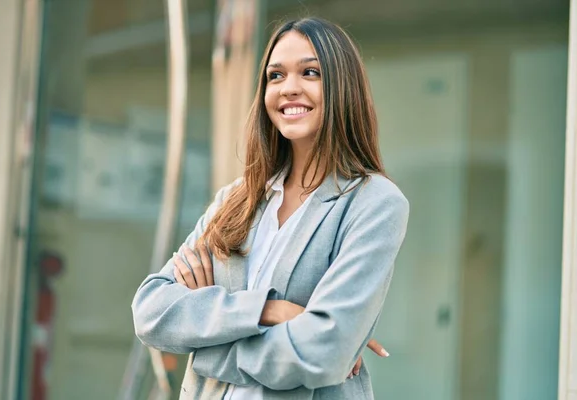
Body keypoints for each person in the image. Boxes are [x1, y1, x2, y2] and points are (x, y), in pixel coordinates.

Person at [132, 17, 409, 400]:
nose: (289, 88)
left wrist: (205, 345)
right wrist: (269, 310)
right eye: (275, 76)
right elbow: (152, 311)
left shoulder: (374, 203)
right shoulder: (236, 199)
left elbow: (323, 353)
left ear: (342, 87)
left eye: (310, 72)